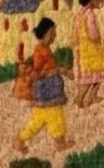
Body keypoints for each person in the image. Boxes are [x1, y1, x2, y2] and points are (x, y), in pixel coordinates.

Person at [17, 17, 71, 149]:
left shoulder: (44, 48)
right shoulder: (40, 51)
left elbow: (48, 67)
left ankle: (20, 140)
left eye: (55, 33)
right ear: (44, 33)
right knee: (56, 115)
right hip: (47, 92)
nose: (54, 36)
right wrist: (59, 70)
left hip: (47, 91)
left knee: (39, 120)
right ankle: (61, 143)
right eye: (52, 33)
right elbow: (39, 74)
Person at [73, 0, 104, 107]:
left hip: (84, 50)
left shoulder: (79, 14)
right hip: (92, 51)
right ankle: (81, 98)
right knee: (94, 76)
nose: (101, 3)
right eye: (100, 0)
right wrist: (98, 40)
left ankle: (92, 96)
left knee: (95, 76)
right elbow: (93, 34)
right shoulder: (89, 14)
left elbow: (75, 34)